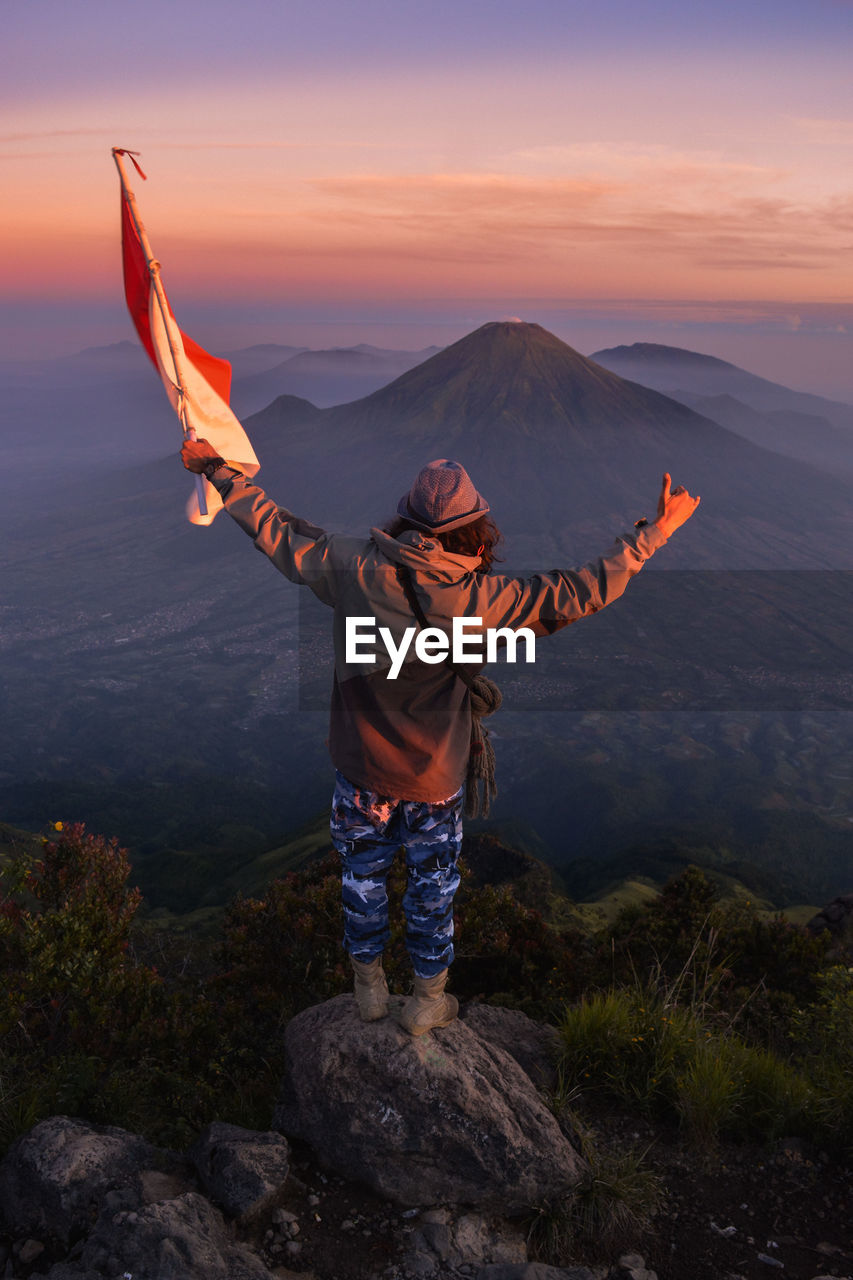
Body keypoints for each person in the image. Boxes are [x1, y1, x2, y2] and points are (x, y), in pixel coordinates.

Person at [181, 439, 700, 1035]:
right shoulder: (481, 599)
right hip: (434, 779)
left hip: (360, 772)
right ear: (477, 535)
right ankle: (427, 1000)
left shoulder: (353, 566)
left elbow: (277, 532)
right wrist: (654, 530)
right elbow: (579, 590)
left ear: (405, 519)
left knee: (362, 881)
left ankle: (369, 990)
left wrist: (219, 472)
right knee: (432, 890)